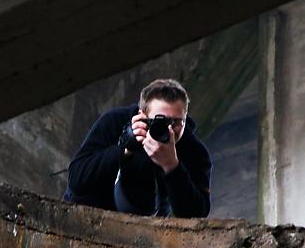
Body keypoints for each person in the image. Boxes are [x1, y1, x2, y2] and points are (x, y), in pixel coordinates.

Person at [63, 79, 211, 218]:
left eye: (177, 122)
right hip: (89, 211)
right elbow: (76, 179)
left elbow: (197, 213)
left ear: (185, 118)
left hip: (147, 221)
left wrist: (171, 166)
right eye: (159, 121)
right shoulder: (115, 121)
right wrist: (125, 148)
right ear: (141, 115)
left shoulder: (193, 150)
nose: (169, 130)